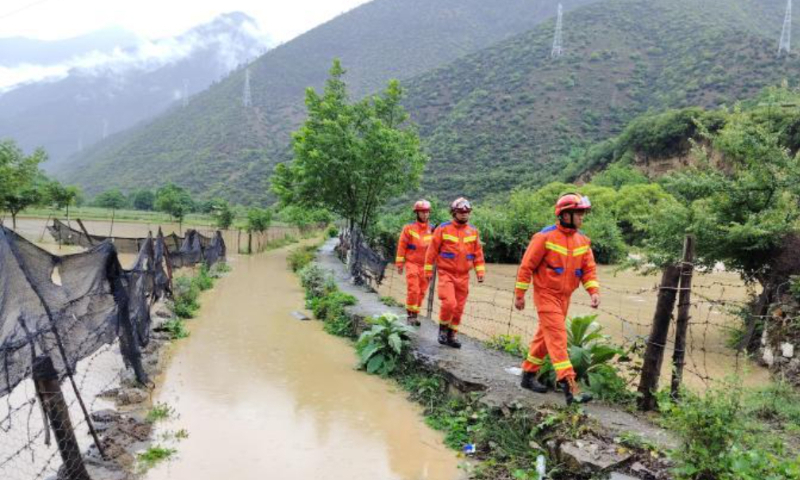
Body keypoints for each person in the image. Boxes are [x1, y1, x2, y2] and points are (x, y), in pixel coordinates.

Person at [514, 193, 600, 405]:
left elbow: (588, 269)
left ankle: (527, 374)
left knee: (545, 337)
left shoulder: (583, 241)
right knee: (558, 338)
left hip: (565, 297)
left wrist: (593, 291)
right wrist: (520, 295)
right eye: (579, 213)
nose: (582, 218)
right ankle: (571, 388)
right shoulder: (544, 238)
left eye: (582, 214)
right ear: (565, 215)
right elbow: (527, 267)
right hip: (546, 295)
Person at [424, 197, 485, 348]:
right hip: (446, 273)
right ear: (454, 213)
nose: (464, 214)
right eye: (461, 212)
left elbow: (478, 253)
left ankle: (452, 335)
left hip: (464, 276)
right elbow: (431, 251)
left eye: (467, 212)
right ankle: (443, 330)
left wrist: (480, 271)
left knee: (459, 308)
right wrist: (428, 270)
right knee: (449, 303)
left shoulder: (473, 231)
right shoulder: (443, 229)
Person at [395, 200, 434, 326]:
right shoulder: (409, 229)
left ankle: (415, 314)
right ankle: (410, 315)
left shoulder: (433, 230)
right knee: (414, 290)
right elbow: (402, 246)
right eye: (422, 212)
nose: (425, 214)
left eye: (427, 212)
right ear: (417, 213)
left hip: (426, 266)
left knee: (422, 292)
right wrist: (400, 264)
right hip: (412, 264)